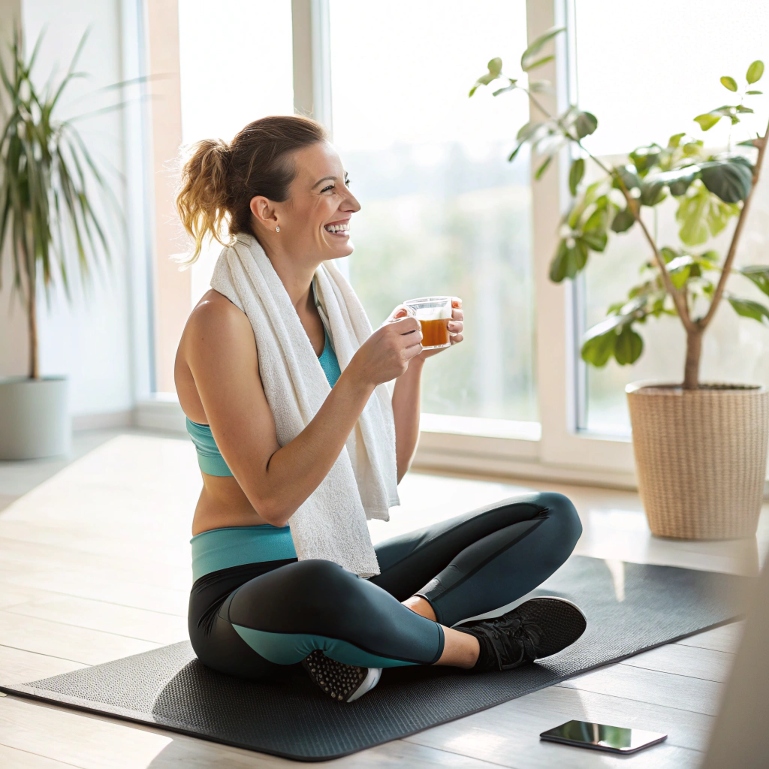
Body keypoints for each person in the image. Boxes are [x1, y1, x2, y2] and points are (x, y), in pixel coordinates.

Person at [173, 115, 586, 703]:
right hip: (244, 597)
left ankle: (389, 635)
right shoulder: (220, 322)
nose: (353, 203)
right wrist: (360, 378)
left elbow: (383, 469)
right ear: (269, 211)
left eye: (347, 183)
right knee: (319, 587)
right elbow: (273, 500)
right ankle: (478, 648)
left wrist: (409, 366)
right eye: (328, 190)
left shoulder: (331, 306)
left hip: (342, 557)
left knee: (549, 514)